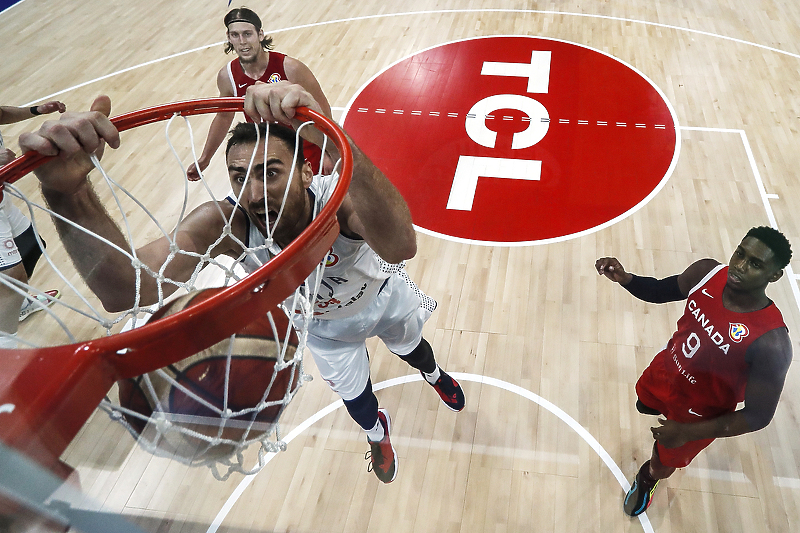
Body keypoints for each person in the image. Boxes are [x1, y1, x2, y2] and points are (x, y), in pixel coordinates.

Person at [18, 82, 465, 484]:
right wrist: (68, 194)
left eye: (269, 171)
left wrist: (331, 137)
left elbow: (402, 244)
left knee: (413, 347)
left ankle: (433, 374)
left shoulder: (338, 201)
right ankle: (377, 433)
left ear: (307, 172)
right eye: (239, 176)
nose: (253, 193)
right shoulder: (229, 223)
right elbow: (123, 288)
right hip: (327, 333)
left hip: (384, 298)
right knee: (358, 399)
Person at [595, 227, 792, 516]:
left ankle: (648, 478)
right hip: (666, 369)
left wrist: (687, 432)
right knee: (643, 402)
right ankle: (659, 417)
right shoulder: (707, 273)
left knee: (663, 460)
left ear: (773, 276)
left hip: (700, 412)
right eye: (740, 253)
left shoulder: (772, 343)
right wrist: (627, 279)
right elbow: (663, 290)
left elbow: (758, 416)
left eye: (755, 263)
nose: (740, 265)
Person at [187, 7, 332, 180]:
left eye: (247, 34)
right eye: (235, 35)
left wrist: (328, 151)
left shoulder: (291, 68)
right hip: (267, 154)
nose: (242, 41)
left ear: (260, 35)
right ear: (229, 37)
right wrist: (205, 159)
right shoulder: (228, 76)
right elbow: (223, 118)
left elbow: (323, 109)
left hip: (305, 148)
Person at [0, 101, 65, 348]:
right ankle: (5, 361)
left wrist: (35, 110)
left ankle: (12, 304)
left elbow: (1, 112)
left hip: (1, 195)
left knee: (31, 244)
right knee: (11, 275)